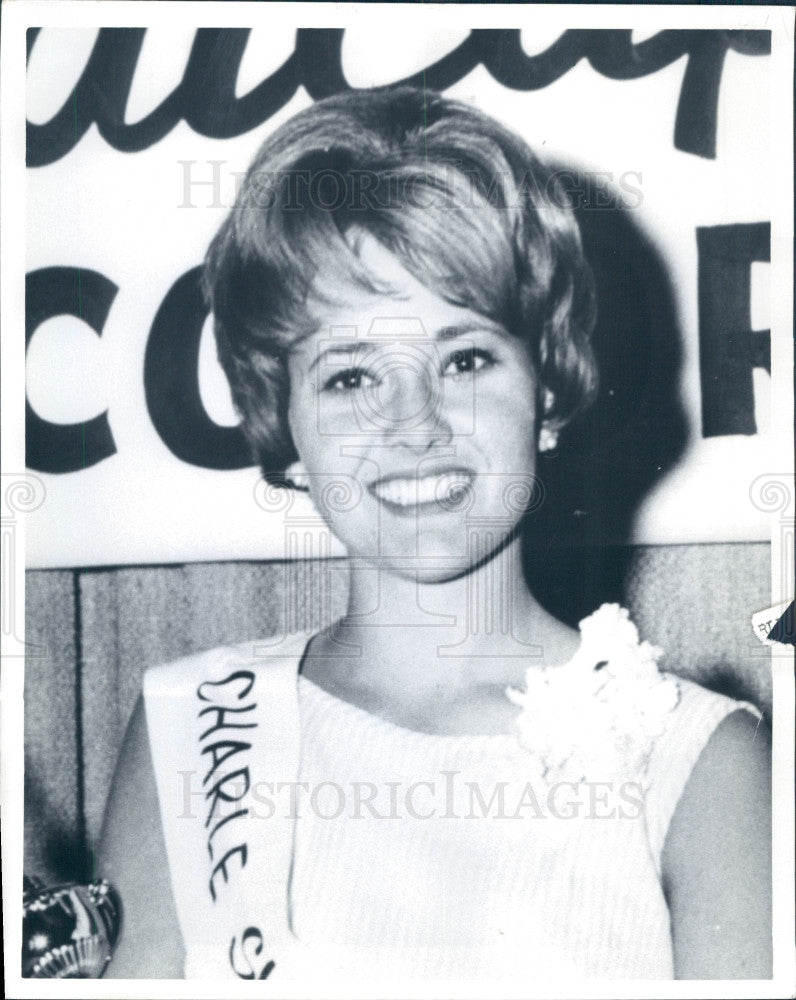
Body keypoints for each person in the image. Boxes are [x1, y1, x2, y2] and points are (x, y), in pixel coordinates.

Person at [99, 86, 772, 982]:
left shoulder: (700, 766)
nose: (414, 424)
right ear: (283, 418)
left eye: (464, 359)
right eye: (349, 377)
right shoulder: (194, 730)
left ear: (547, 390)